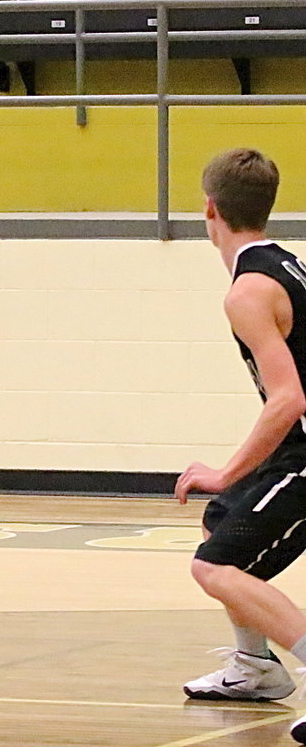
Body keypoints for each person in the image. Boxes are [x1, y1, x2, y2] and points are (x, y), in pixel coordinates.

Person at [177, 148, 306, 743]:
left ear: (210, 209)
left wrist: (227, 470)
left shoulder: (248, 292)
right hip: (294, 451)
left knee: (214, 567)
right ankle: (255, 667)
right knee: (220, 523)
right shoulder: (289, 265)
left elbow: (287, 400)